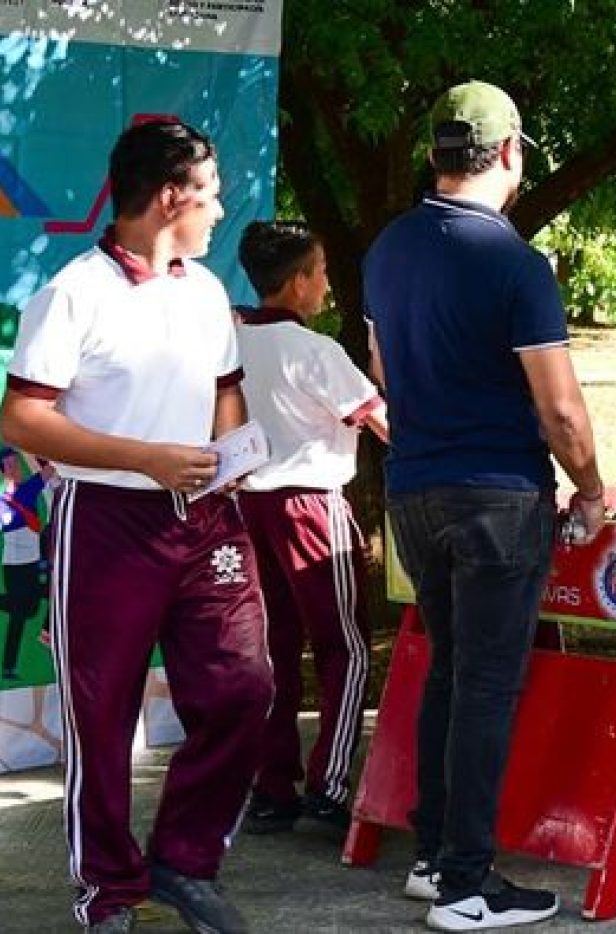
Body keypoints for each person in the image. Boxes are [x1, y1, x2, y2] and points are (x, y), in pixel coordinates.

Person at [0, 120, 271, 934]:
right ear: (168, 198)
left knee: (244, 689)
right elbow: (22, 420)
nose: (219, 209)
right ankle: (109, 891)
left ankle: (184, 862)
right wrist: (144, 458)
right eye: (210, 192)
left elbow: (226, 390)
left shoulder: (205, 291)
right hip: (108, 522)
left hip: (207, 515)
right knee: (103, 715)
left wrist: (231, 450)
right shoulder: (74, 293)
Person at [363, 80, 605, 932]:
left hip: (414, 490)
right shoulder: (514, 260)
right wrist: (594, 483)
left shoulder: (387, 248)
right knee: (486, 684)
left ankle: (436, 858)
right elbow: (562, 409)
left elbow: (387, 372)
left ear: (436, 154)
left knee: (452, 667)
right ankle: (467, 884)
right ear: (508, 155)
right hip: (498, 493)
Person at [233, 221, 389, 837]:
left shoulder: (234, 341)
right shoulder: (316, 351)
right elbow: (380, 420)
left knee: (271, 651)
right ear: (298, 282)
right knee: (344, 648)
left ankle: (272, 786)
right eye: (321, 270)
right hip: (311, 506)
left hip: (250, 506)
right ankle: (327, 784)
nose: (326, 282)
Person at [0, 447, 50, 681]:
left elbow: (49, 470)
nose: (14, 468)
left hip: (32, 561)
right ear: (2, 472)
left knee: (31, 607)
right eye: (8, 465)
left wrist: (37, 443)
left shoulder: (28, 490)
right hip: (14, 566)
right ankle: (8, 667)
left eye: (15, 463)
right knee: (19, 614)